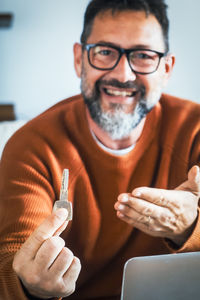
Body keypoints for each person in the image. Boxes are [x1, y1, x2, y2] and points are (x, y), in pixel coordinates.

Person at [0, 0, 200, 299]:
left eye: (143, 56)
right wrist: (30, 285)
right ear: (79, 59)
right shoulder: (31, 145)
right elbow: (11, 261)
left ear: (166, 68)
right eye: (105, 52)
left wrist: (191, 229)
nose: (123, 75)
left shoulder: (196, 130)